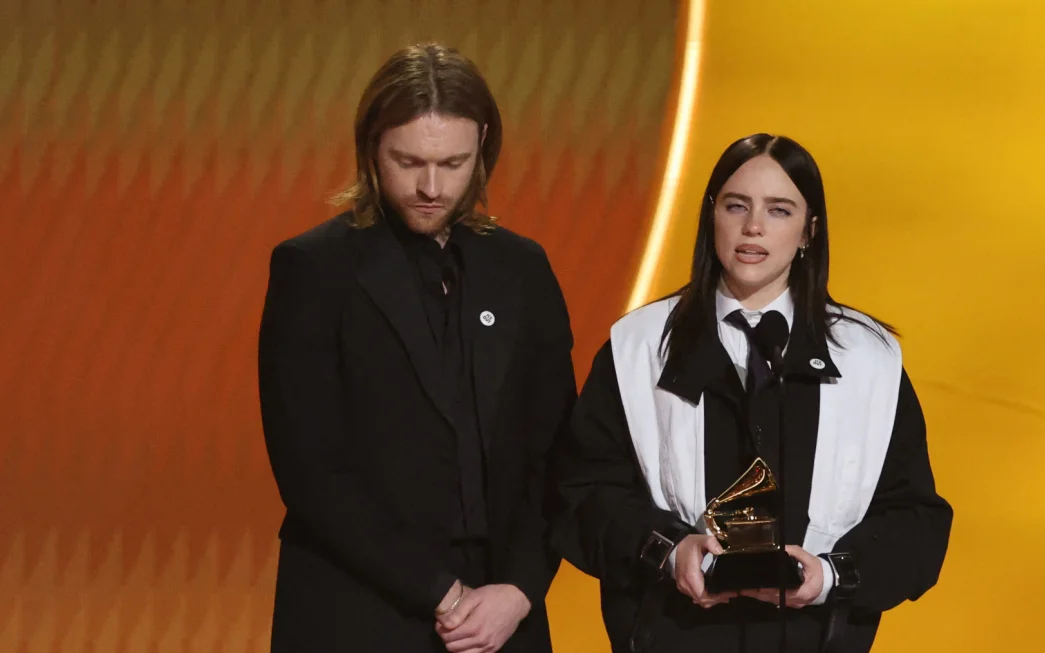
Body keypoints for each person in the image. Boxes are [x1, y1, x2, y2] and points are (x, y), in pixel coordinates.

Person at [552, 133, 953, 652]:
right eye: (736, 205)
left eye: (779, 210)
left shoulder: (867, 360)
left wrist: (831, 576)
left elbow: (916, 523)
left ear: (809, 231)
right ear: (710, 216)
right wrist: (672, 553)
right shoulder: (638, 347)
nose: (753, 227)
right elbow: (582, 495)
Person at [257, 43, 576, 653]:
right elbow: (312, 470)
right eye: (408, 162)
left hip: (503, 616)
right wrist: (445, 594)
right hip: (357, 610)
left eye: (453, 163)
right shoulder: (313, 270)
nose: (431, 187)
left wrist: (520, 589)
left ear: (483, 144)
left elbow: (556, 450)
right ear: (372, 145)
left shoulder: (523, 269)